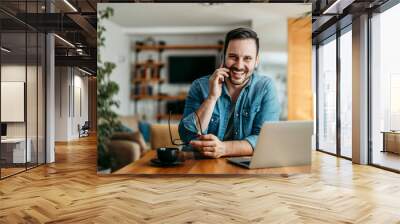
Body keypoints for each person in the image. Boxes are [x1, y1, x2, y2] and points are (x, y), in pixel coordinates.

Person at [178, 27, 280, 158]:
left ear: (256, 61)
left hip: (244, 167)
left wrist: (224, 148)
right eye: (233, 57)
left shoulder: (265, 87)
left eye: (247, 58)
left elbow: (266, 140)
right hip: (200, 165)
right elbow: (187, 136)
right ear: (223, 57)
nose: (239, 65)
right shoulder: (200, 86)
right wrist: (212, 98)